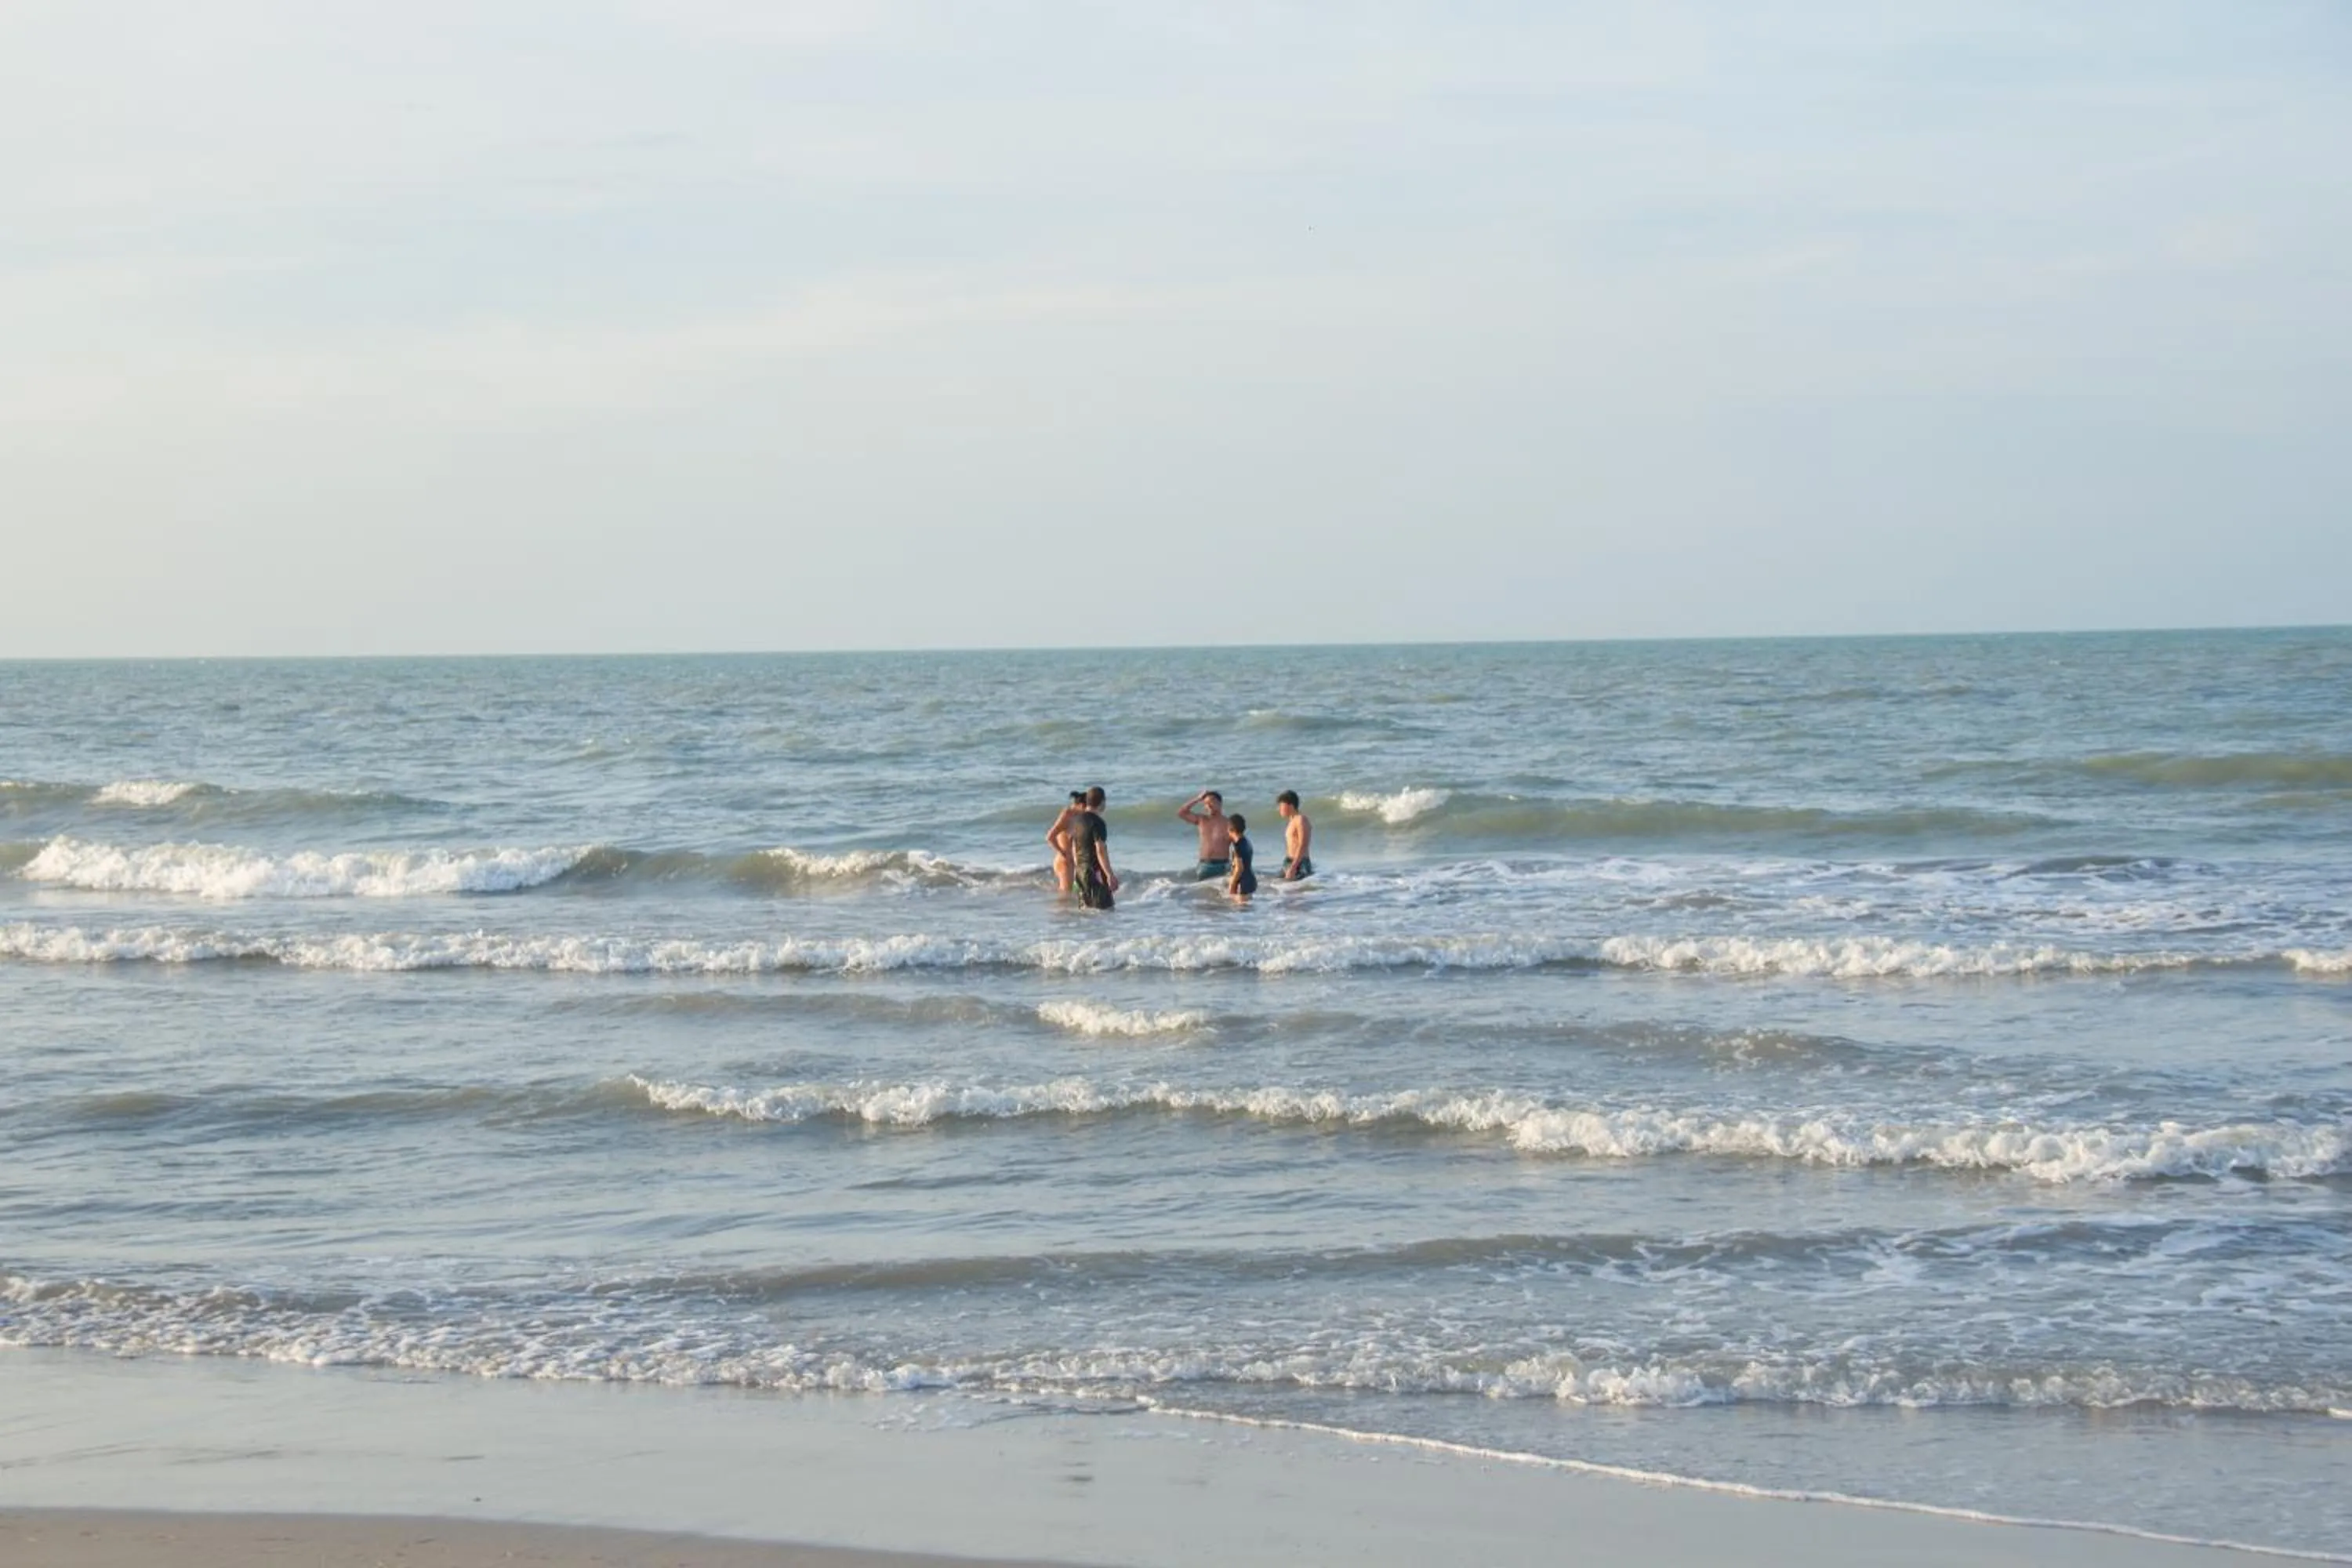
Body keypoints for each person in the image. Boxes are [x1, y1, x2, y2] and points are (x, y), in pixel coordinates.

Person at [1069, 786, 1118, 909]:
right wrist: (1109, 874)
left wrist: (1077, 867)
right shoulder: (1098, 822)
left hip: (1080, 872)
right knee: (1106, 910)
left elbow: (1074, 846)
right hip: (1095, 872)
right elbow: (1100, 849)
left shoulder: (1076, 820)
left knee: (1086, 911)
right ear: (1102, 802)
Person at [1178, 789, 1235, 881]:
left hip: (1222, 866)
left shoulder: (1229, 823)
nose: (1209, 806)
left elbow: (1238, 845)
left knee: (1224, 894)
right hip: (1204, 865)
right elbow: (1181, 813)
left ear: (1220, 803)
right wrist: (1197, 799)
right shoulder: (1202, 820)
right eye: (1206, 804)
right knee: (1202, 894)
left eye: (1212, 802)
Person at [1045, 790, 1085, 894]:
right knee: (1065, 895)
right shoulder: (1067, 814)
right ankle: (1060, 910)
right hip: (1064, 861)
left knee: (1071, 893)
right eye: (1086, 808)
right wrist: (1062, 853)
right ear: (1080, 805)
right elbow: (1050, 837)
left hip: (1072, 862)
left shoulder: (1078, 816)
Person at [1276, 789, 1313, 880]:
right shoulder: (1291, 821)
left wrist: (1294, 867)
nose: (1279, 809)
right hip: (1289, 861)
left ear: (1291, 805)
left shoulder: (1301, 819)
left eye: (1281, 805)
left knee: (1296, 891)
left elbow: (1303, 844)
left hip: (1299, 863)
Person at [1225, 812, 1258, 900]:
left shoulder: (1237, 846)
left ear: (1230, 828)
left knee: (1240, 910)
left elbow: (1239, 868)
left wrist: (1233, 884)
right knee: (1247, 911)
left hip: (1242, 882)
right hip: (1251, 880)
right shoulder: (1247, 842)